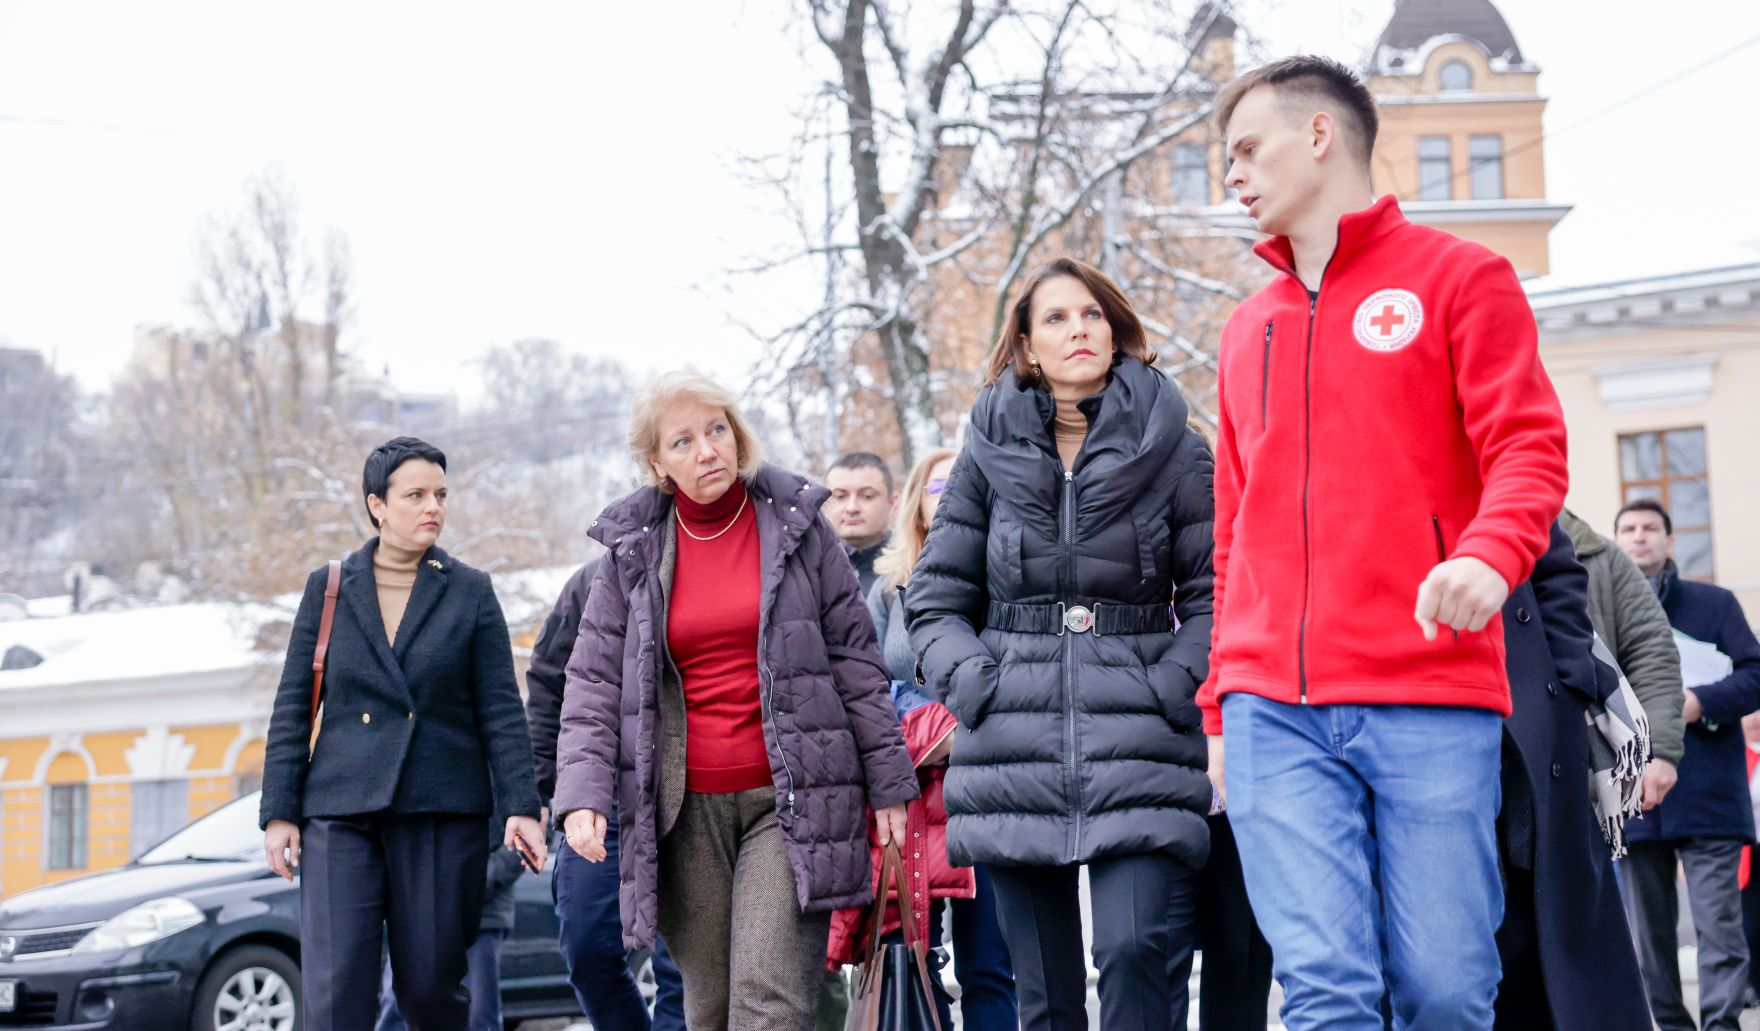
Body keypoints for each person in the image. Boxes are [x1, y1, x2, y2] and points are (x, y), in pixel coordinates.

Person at [1200, 56, 1570, 1029]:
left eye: (1246, 148)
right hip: (1270, 708)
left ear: (1317, 134)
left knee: (1443, 989)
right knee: (1325, 990)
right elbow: (1230, 529)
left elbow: (1526, 449)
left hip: (1426, 691)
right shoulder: (1245, 329)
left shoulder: (1460, 279)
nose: (1231, 175)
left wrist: (1486, 556)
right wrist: (1217, 705)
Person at [553, 372, 919, 1031]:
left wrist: (890, 786)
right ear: (658, 462)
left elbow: (858, 665)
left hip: (791, 801)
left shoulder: (800, 529)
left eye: (717, 429)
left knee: (769, 1001)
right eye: (684, 440)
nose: (707, 449)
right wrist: (579, 795)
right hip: (681, 811)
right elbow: (590, 683)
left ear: (738, 433)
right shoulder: (632, 553)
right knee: (712, 1008)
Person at [907, 257, 1216, 1030]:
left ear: (1114, 330)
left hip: (1141, 737)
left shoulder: (1175, 447)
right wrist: (979, 682)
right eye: (1056, 317)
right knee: (1041, 991)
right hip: (1011, 743)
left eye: (1091, 314)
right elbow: (936, 599)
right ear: (1025, 345)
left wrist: (1173, 679)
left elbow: (1223, 591)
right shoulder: (984, 450)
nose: (1078, 328)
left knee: (1136, 948)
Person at [259, 436, 547, 1031]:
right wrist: (279, 811)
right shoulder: (331, 587)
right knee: (335, 993)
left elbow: (500, 709)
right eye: (415, 494)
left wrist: (522, 803)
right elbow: (293, 705)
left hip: (441, 811)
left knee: (429, 990)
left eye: (440, 494)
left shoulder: (470, 590)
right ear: (377, 505)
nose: (432, 507)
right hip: (340, 809)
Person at [826, 446, 1019, 1031]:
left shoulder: (1010, 575)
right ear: (915, 499)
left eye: (960, 483)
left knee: (992, 961)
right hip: (912, 787)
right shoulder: (888, 587)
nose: (948, 495)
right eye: (935, 487)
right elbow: (864, 680)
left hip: (991, 784)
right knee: (912, 955)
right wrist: (940, 723)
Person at [1492, 522, 1651, 1030]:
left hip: (1538, 734)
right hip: (1433, 728)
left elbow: (1649, 648)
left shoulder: (1591, 546)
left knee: (1551, 940)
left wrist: (1571, 683)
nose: (1640, 534)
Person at [1615, 498, 1760, 1031]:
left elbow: (1755, 674)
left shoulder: (1715, 605)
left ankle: (1722, 1025)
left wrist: (1701, 700)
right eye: (1628, 529)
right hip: (1634, 797)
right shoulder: (1598, 611)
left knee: (1719, 927)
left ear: (1670, 542)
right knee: (1646, 940)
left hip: (1709, 792)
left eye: (1650, 528)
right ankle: (1671, 1027)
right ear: (1615, 541)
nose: (1639, 537)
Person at [525, 561, 686, 1029]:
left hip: (688, 796)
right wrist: (538, 791)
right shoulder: (590, 580)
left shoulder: (704, 569)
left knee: (681, 966)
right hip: (604, 797)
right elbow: (547, 686)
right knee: (586, 946)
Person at [1560, 507, 1685, 811]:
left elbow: (1651, 654)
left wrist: (1656, 751)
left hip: (1591, 777)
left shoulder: (1600, 556)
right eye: (1629, 529)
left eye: (1649, 528)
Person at [374, 813, 525, 1031]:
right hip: (417, 908)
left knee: (478, 1015)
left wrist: (469, 882)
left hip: (483, 915)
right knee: (395, 1008)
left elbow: (530, 831)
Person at [823, 451, 897, 595]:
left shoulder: (912, 566)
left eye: (867, 496)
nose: (852, 508)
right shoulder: (805, 568)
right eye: (840, 496)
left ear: (892, 503)